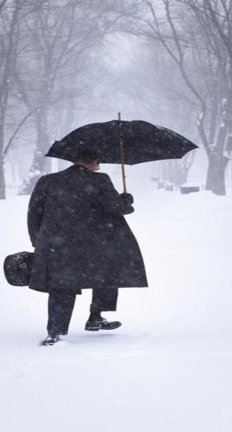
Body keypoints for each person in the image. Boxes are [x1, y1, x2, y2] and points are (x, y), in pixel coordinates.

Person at [27, 148, 148, 346]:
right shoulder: (100, 180)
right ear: (95, 161)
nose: (97, 167)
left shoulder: (48, 181)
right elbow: (116, 208)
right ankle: (96, 316)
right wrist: (126, 200)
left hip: (58, 244)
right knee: (107, 274)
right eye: (98, 164)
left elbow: (34, 213)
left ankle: (55, 332)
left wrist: (38, 241)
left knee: (61, 286)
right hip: (94, 244)